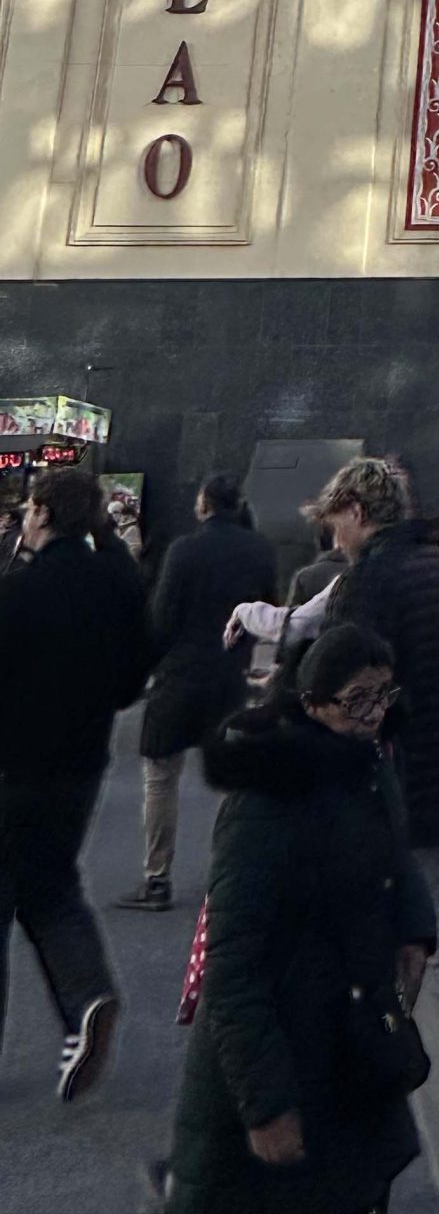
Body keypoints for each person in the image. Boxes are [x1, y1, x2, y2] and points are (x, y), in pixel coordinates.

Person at [162, 623, 435, 1213]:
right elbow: (231, 965)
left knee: (357, 1184)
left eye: (383, 696)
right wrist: (266, 1105)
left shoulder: (366, 764)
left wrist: (416, 927)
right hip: (284, 1046)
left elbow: (395, 850)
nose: (373, 714)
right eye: (357, 699)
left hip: (351, 1036)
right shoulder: (267, 800)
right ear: (312, 704)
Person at [313, 455, 439, 1214]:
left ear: (358, 512)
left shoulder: (371, 585)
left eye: (335, 521)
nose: (333, 538)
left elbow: (331, 698)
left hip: (394, 808)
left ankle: (322, 1175)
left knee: (348, 989)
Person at [0, 464, 155, 1101]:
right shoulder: (117, 585)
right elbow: (131, 681)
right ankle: (88, 995)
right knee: (51, 884)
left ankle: (87, 1003)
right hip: (81, 766)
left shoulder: (15, 592)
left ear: (40, 513)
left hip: (11, 764)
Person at [116, 471, 276, 914]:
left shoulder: (184, 550)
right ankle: (233, 875)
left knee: (160, 777)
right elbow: (267, 611)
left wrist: (142, 673)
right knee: (229, 780)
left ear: (204, 505)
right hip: (229, 677)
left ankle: (157, 878)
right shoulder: (260, 550)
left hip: (180, 677)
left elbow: (162, 620)